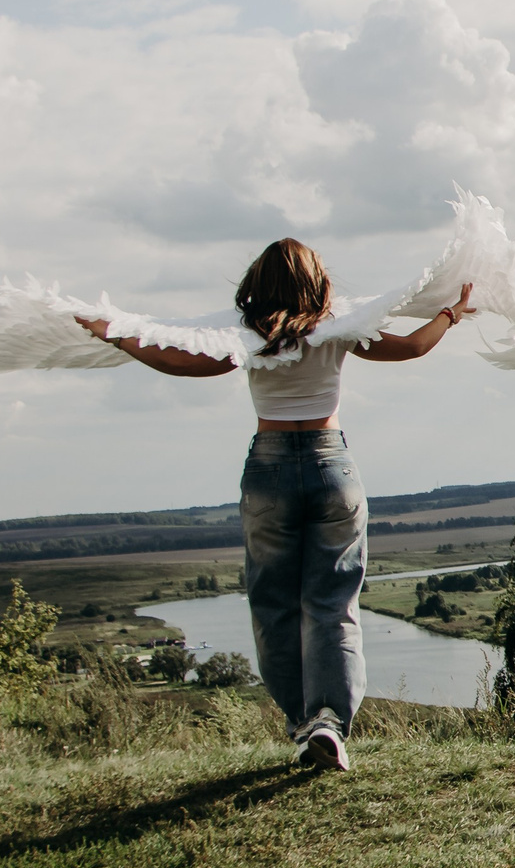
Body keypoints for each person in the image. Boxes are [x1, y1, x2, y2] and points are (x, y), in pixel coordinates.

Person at [74, 238, 476, 772]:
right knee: (333, 603)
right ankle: (330, 720)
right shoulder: (338, 327)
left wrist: (116, 336)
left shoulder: (248, 337)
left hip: (268, 472)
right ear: (318, 281)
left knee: (274, 605)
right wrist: (451, 313)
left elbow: (181, 362)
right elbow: (409, 347)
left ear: (257, 285)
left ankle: (305, 724)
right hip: (333, 467)